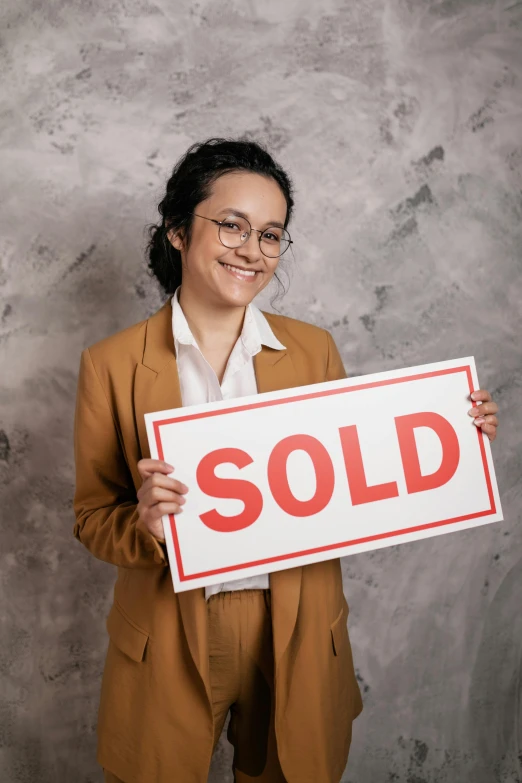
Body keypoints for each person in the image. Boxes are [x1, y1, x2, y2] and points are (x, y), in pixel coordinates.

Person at [72, 137, 500, 783]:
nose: (252, 249)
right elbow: (91, 514)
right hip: (172, 629)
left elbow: (354, 474)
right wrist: (145, 525)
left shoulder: (313, 351)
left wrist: (454, 431)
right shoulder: (110, 364)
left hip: (297, 625)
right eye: (232, 225)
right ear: (178, 233)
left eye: (271, 234)